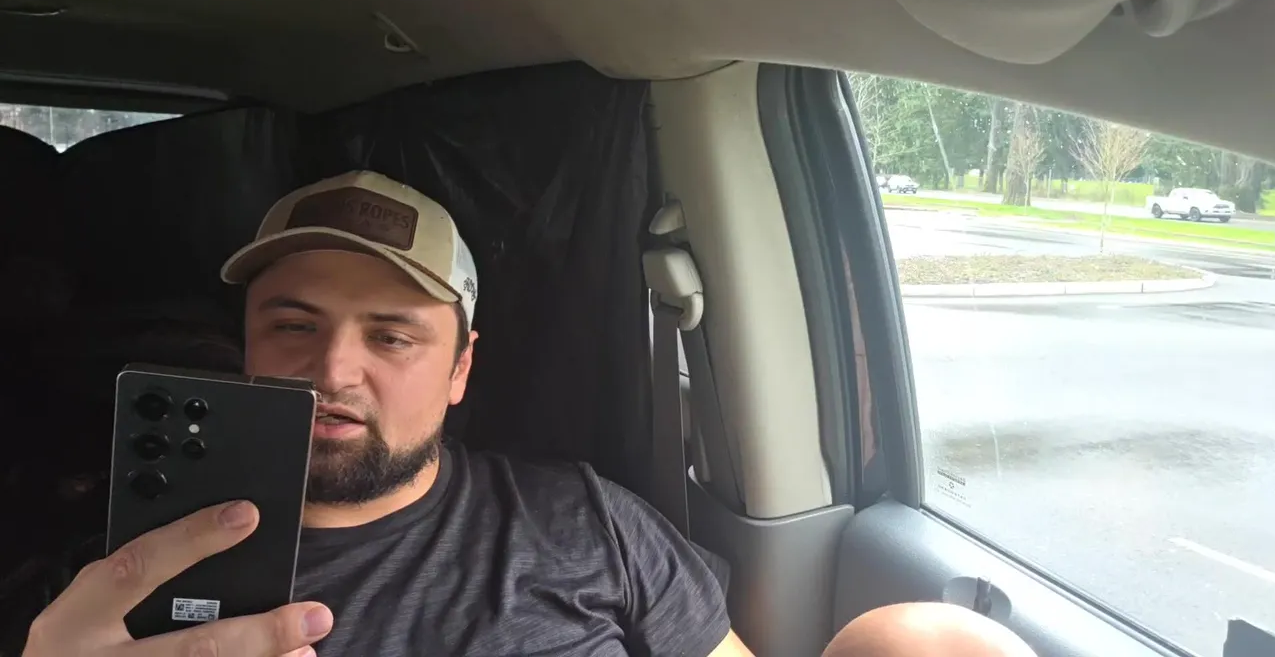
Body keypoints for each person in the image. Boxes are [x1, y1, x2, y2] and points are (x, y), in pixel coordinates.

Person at [19, 170, 1034, 656]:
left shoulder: (585, 521)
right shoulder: (110, 575)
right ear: (246, 345)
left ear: (461, 368)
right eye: (292, 326)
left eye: (391, 336)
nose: (331, 371)